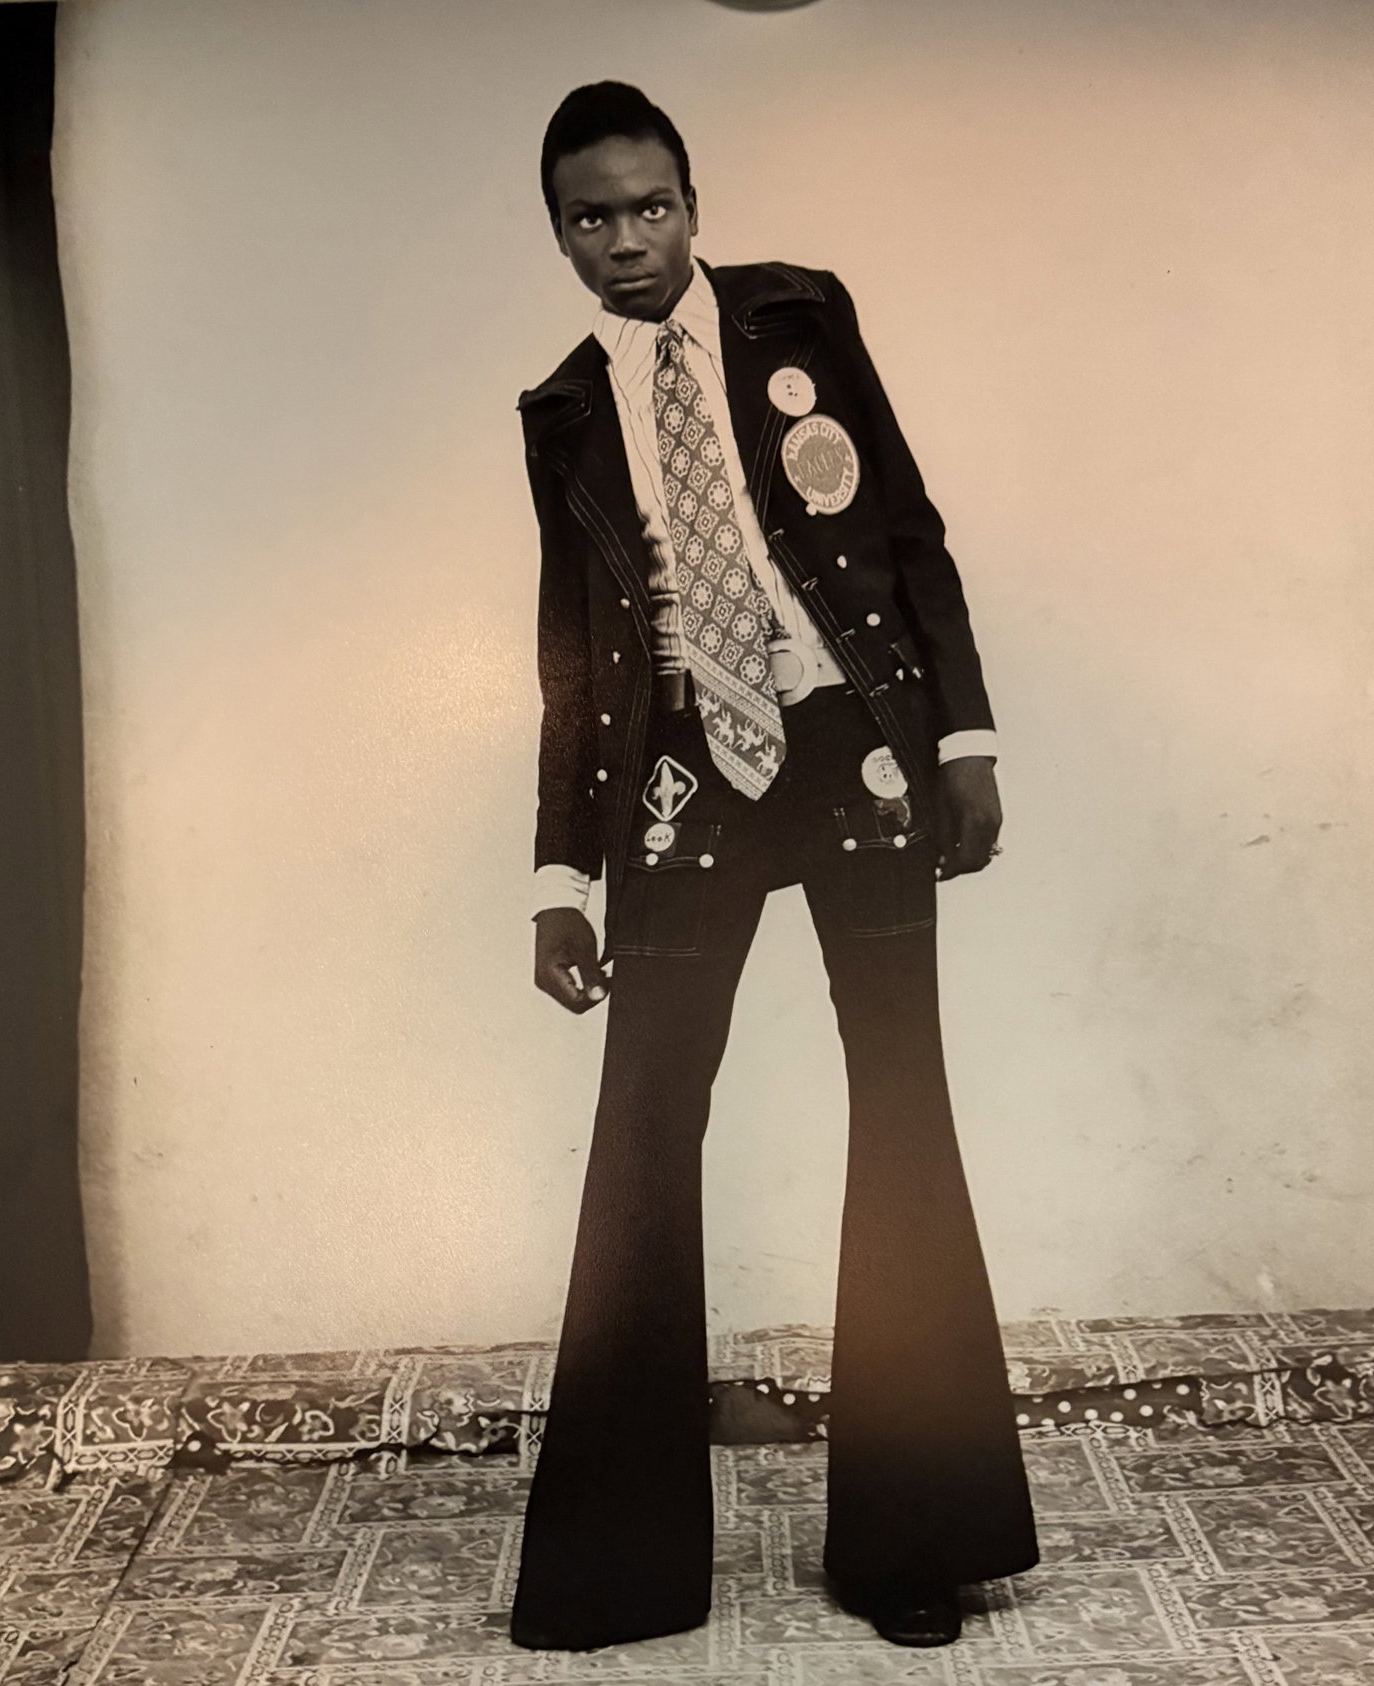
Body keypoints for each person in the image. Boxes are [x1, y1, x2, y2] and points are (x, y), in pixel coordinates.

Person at [510, 80, 1038, 1652]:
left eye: (650, 205)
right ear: (559, 235)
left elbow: (911, 532)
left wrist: (962, 742)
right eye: (592, 218)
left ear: (693, 199)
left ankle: (912, 1545)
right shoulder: (561, 414)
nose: (628, 241)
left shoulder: (802, 316)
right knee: (644, 1129)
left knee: (903, 1100)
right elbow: (565, 656)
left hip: (852, 744)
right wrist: (559, 877)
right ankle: (617, 1567)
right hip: (686, 773)